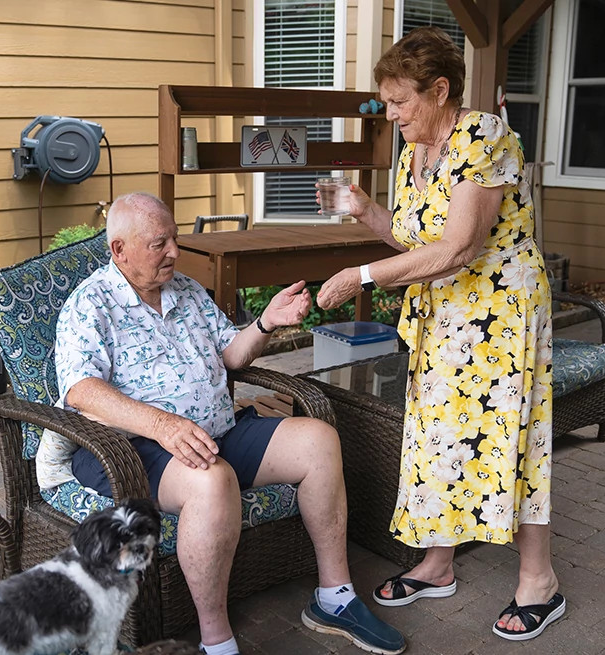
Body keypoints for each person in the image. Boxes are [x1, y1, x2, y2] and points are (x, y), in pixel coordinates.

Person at [44, 191, 406, 655]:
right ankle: (217, 642)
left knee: (319, 440)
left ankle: (334, 598)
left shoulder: (188, 290)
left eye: (174, 239)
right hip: (133, 450)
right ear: (120, 250)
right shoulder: (90, 305)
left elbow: (230, 354)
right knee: (212, 482)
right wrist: (163, 426)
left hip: (216, 432)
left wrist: (267, 322)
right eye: (160, 244)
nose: (174, 251)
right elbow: (81, 389)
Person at [316, 26, 563, 641]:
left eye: (400, 101)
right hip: (443, 316)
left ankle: (540, 581)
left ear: (440, 90)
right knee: (434, 439)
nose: (390, 112)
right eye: (387, 101)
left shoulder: (484, 136)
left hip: (501, 313)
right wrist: (367, 213)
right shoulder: (412, 153)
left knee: (512, 435)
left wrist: (360, 275)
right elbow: (420, 248)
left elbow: (459, 248)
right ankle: (438, 562)